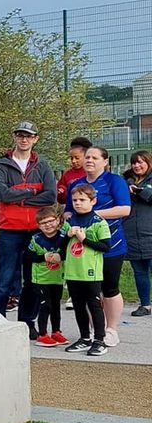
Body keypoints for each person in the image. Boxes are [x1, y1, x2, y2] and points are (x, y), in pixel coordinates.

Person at [0, 120, 56, 326]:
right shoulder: (1, 165)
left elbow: (50, 196)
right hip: (9, 230)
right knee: (4, 278)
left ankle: (26, 322)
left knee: (33, 278)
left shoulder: (43, 165)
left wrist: (20, 197)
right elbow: (4, 194)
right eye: (20, 135)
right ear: (14, 137)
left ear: (36, 139)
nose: (24, 139)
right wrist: (34, 190)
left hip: (36, 229)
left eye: (29, 136)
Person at [78, 145, 131, 346]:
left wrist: (93, 215)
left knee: (110, 288)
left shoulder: (114, 181)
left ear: (105, 161)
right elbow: (67, 212)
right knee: (90, 290)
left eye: (94, 157)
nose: (89, 160)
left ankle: (111, 329)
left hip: (111, 244)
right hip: (84, 247)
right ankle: (94, 330)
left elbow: (124, 209)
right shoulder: (77, 183)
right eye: (87, 157)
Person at [60, 181, 112, 357]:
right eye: (75, 200)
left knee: (94, 306)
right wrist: (67, 236)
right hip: (73, 272)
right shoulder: (69, 221)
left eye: (82, 199)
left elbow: (106, 246)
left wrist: (84, 240)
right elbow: (60, 247)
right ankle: (84, 338)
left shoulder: (99, 222)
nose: (78, 203)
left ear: (93, 201)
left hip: (91, 272)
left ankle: (99, 340)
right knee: (78, 306)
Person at [29, 207, 68, 345]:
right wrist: (43, 256)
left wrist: (60, 256)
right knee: (45, 305)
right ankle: (42, 334)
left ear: (57, 220)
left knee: (56, 306)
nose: (48, 225)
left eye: (51, 221)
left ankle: (56, 331)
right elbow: (28, 257)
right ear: (39, 225)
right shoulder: (36, 239)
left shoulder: (64, 236)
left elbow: (67, 252)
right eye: (43, 223)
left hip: (57, 278)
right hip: (41, 279)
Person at [121, 150, 152, 317]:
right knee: (139, 272)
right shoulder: (124, 181)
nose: (137, 165)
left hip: (149, 232)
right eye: (134, 162)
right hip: (131, 232)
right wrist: (129, 186)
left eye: (141, 162)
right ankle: (145, 305)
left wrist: (139, 191)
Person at [57, 137, 92, 204]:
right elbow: (61, 200)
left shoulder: (93, 173)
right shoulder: (67, 174)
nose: (73, 161)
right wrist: (61, 193)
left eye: (77, 158)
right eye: (71, 158)